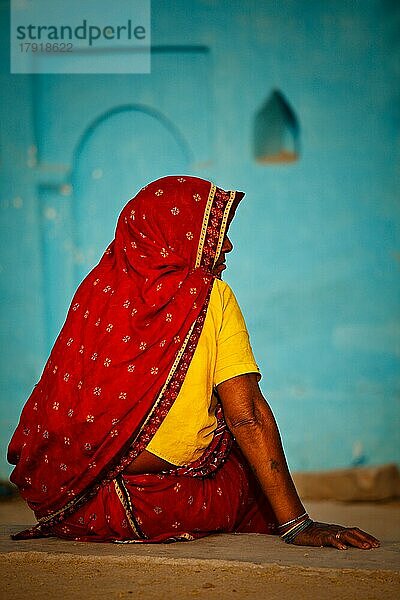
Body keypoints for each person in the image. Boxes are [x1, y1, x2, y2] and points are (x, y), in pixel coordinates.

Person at [8, 176, 379, 550]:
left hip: (74, 506)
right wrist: (299, 524)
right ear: (178, 232)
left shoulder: (96, 292)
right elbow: (246, 414)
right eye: (215, 232)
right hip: (156, 503)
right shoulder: (210, 296)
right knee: (244, 469)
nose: (227, 245)